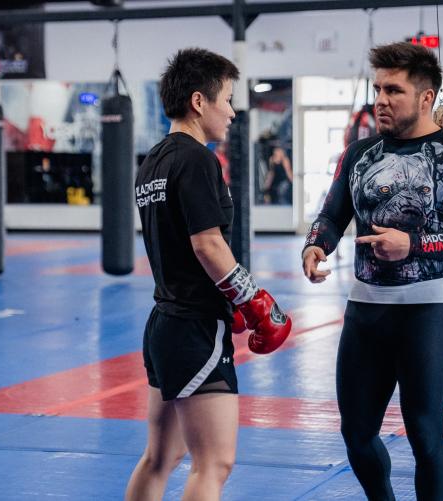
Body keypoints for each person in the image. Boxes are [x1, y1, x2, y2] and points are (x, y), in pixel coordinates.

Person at [302, 42, 443, 501]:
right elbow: (332, 214)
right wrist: (316, 244)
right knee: (357, 435)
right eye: (378, 89)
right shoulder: (359, 153)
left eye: (394, 90)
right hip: (365, 312)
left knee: (426, 438)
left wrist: (415, 244)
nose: (381, 99)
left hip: (426, 313)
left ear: (426, 98)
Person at [126, 48, 292, 501]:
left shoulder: (153, 161)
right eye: (228, 100)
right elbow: (207, 244)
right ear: (200, 101)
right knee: (214, 463)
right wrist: (252, 298)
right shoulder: (197, 159)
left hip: (164, 323)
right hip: (196, 327)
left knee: (159, 458)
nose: (233, 112)